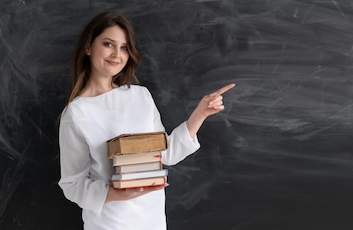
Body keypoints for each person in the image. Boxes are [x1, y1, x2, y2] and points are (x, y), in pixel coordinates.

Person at [58, 11, 235, 229]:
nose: (117, 54)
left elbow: (165, 153)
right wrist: (117, 193)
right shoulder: (76, 113)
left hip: (152, 221)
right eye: (108, 44)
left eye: (124, 47)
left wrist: (200, 114)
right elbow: (72, 184)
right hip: (110, 223)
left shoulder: (139, 96)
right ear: (88, 47)